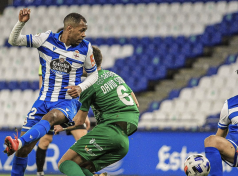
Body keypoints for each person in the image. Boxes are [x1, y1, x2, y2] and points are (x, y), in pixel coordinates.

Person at [4, 8, 98, 176]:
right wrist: (21, 23)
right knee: (23, 151)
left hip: (67, 102)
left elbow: (94, 74)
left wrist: (81, 87)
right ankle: (21, 145)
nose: (84, 34)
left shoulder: (86, 48)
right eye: (82, 30)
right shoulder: (46, 39)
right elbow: (14, 40)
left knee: (53, 117)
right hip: (43, 101)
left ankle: (19, 142)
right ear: (69, 28)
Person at [54, 46, 140, 176]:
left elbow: (79, 121)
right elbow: (136, 102)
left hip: (108, 132)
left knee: (65, 163)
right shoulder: (114, 76)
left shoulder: (88, 85)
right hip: (123, 141)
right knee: (83, 168)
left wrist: (63, 126)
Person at [35, 28, 90, 176]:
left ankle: (88, 171)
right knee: (45, 141)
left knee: (83, 139)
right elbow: (43, 88)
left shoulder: (76, 60)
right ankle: (39, 173)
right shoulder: (48, 60)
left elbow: (81, 88)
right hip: (52, 106)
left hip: (71, 106)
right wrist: (56, 114)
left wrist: (84, 115)